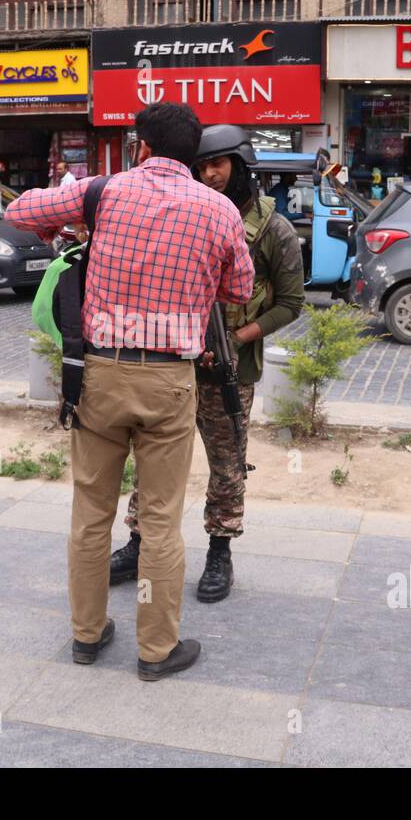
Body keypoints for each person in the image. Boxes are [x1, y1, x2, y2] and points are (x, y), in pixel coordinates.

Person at [5, 102, 254, 681]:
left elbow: (20, 211)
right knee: (162, 520)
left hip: (99, 374)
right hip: (169, 379)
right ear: (193, 154)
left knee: (91, 513)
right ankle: (156, 648)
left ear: (140, 145)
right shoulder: (218, 209)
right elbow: (238, 287)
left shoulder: (102, 192)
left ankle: (86, 635)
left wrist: (65, 226)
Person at [111, 125, 304, 603]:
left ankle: (220, 550)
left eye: (219, 164)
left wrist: (237, 339)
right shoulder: (187, 212)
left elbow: (292, 303)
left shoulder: (274, 230)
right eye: (202, 166)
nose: (210, 174)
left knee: (227, 463)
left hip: (228, 370)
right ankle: (139, 542)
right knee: (153, 459)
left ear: (240, 164)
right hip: (174, 361)